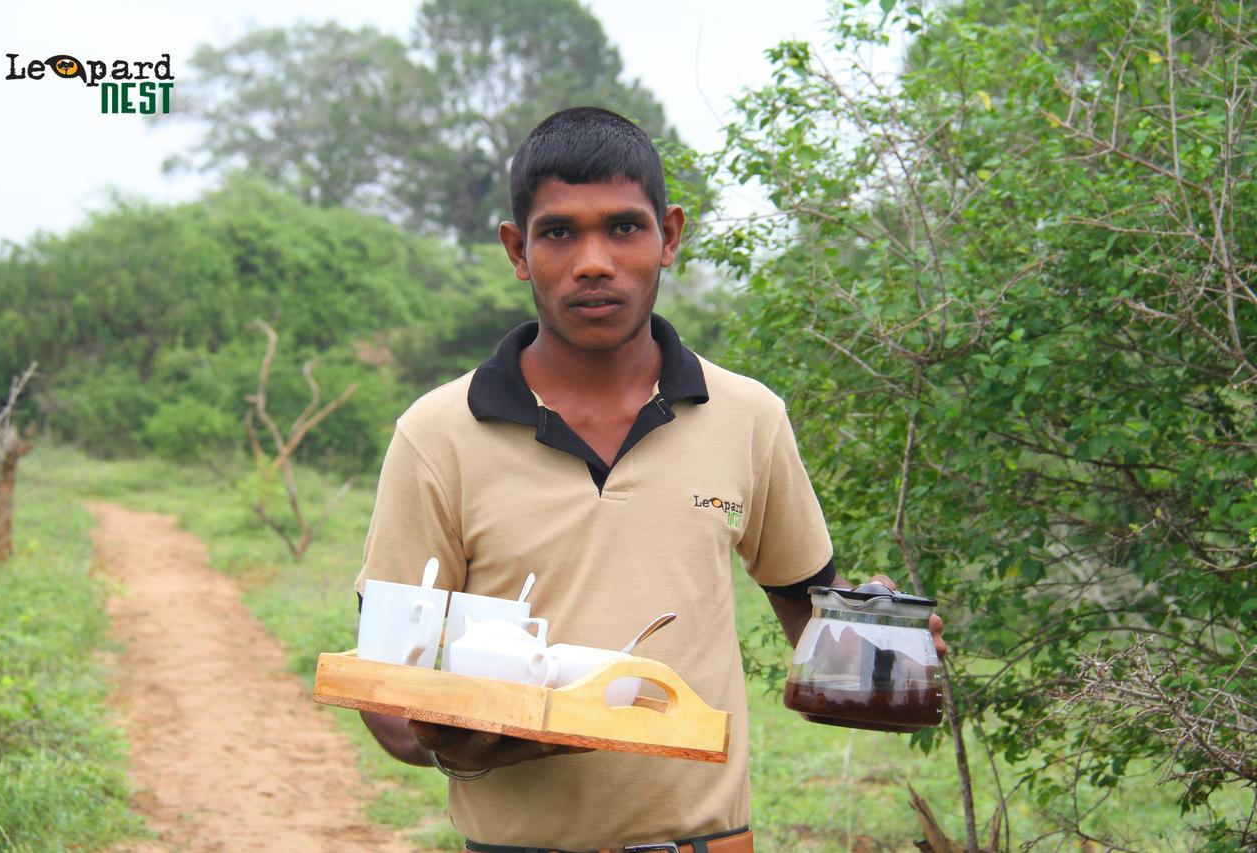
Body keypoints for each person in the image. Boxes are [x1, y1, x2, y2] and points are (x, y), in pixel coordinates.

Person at [355, 106, 946, 853]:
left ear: (669, 235)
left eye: (624, 228)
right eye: (559, 231)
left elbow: (814, 634)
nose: (593, 260)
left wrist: (882, 651)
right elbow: (381, 689)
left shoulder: (748, 417)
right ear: (517, 248)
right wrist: (454, 742)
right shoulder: (439, 434)